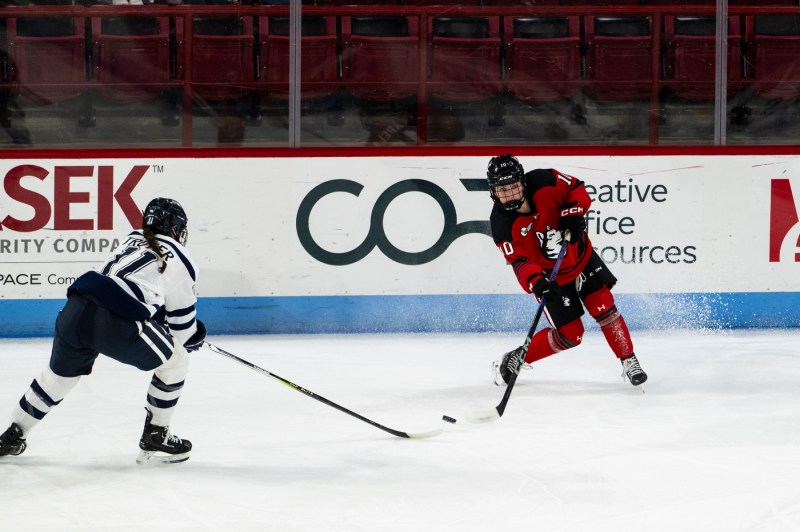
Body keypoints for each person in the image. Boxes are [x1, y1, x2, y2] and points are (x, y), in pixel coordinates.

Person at [0, 198, 206, 464]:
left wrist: (157, 315)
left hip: (75, 310)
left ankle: (13, 434)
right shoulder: (181, 256)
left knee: (58, 377)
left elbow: (132, 285)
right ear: (177, 228)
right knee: (176, 362)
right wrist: (193, 336)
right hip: (116, 322)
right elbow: (182, 330)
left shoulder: (131, 238)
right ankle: (157, 434)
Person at [486, 154, 647, 388]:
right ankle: (516, 358)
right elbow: (519, 262)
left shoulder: (545, 180)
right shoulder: (501, 225)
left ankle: (628, 360)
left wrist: (573, 212)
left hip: (581, 259)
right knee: (571, 335)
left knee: (605, 307)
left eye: (513, 186)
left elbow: (577, 189)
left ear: (523, 181)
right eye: (502, 189)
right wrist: (536, 282)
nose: (509, 194)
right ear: (493, 191)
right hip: (552, 278)